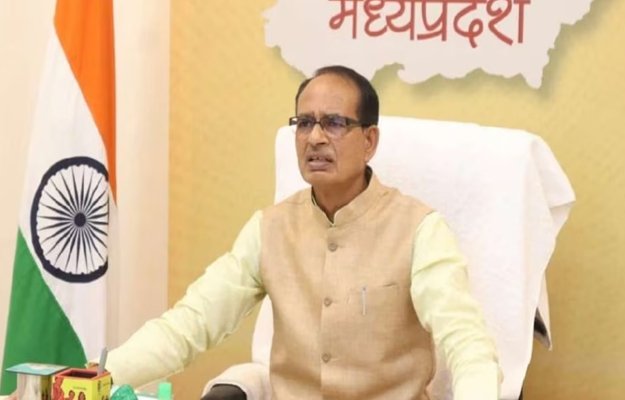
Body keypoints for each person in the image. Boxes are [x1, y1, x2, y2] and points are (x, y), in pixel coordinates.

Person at [104, 65, 502, 399]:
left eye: (334, 123)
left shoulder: (419, 228)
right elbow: (190, 324)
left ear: (369, 141)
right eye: (304, 123)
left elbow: (466, 341)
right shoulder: (270, 227)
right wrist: (96, 377)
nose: (315, 138)